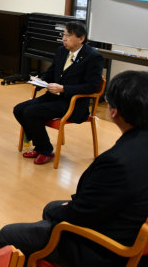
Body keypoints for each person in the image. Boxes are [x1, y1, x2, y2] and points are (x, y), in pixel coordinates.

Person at [0, 71, 148, 267]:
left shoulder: (118, 162)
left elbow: (80, 215)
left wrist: (62, 211)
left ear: (114, 111)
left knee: (9, 235)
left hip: (113, 255)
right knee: (52, 209)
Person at [13, 21, 103, 165]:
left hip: (74, 103)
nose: (64, 39)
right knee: (19, 109)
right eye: (63, 35)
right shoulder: (62, 51)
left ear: (81, 38)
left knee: (31, 112)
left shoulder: (93, 57)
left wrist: (64, 89)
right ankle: (40, 144)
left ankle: (45, 149)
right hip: (53, 97)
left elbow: (92, 86)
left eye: (68, 36)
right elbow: (51, 72)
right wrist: (41, 80)